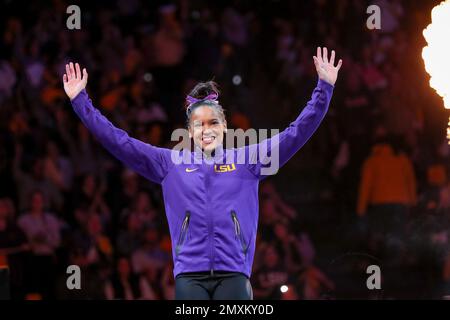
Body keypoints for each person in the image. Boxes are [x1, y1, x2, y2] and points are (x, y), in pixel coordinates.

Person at [62, 47, 342, 300]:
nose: (206, 129)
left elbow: (295, 134)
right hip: (189, 278)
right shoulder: (169, 163)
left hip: (234, 275)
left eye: (213, 122)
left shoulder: (248, 160)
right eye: (199, 124)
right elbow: (118, 141)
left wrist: (324, 89)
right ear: (190, 131)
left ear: (224, 125)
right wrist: (80, 102)